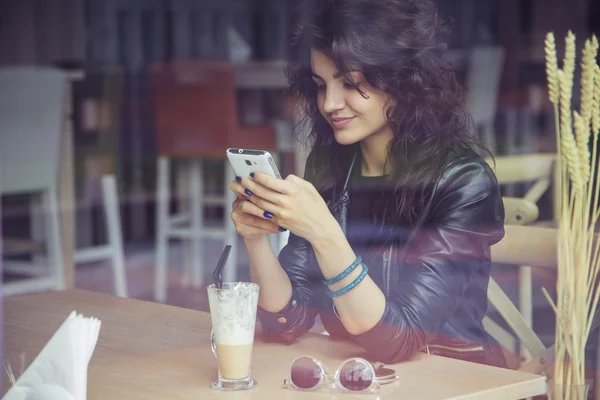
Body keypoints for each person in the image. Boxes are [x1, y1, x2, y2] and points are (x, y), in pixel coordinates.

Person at [228, 0, 506, 367]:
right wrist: (256, 240)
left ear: (403, 82)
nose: (329, 103)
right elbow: (286, 322)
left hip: (451, 378)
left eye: (351, 84)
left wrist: (325, 233)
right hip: (357, 377)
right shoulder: (330, 165)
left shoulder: (463, 182)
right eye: (320, 85)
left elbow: (398, 341)